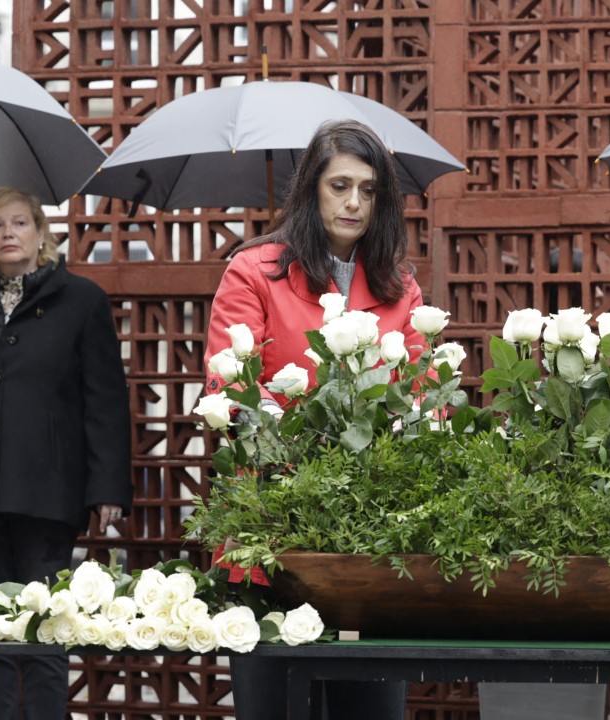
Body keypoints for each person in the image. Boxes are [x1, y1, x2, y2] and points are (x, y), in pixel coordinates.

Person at [203, 119, 423, 719]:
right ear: (311, 190)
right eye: (340, 186)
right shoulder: (254, 270)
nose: (355, 203)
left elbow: (423, 397)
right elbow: (230, 386)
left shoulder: (400, 286)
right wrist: (305, 444)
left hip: (369, 533)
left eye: (369, 190)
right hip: (273, 520)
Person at [0, 187, 132, 720]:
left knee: (44, 631)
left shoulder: (82, 301)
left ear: (40, 233)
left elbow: (105, 400)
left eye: (19, 222)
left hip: (49, 494)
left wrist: (107, 488)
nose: (8, 233)